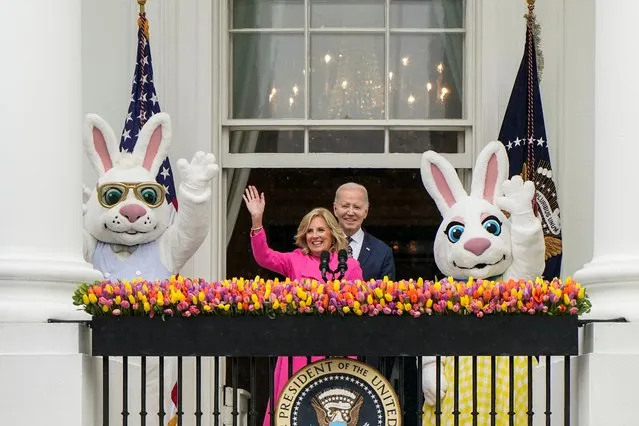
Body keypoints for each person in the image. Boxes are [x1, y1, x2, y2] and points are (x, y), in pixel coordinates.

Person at [242, 185, 363, 426]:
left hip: (337, 349)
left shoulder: (349, 266)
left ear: (332, 232)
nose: (315, 235)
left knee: (332, 411)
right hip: (298, 348)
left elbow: (358, 308)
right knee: (294, 409)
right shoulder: (294, 260)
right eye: (310, 231)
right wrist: (257, 221)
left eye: (321, 230)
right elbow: (264, 256)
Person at [333, 182, 395, 281]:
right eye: (345, 206)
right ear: (335, 209)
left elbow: (388, 293)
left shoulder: (382, 252)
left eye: (357, 207)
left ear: (365, 212)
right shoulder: (322, 246)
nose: (350, 212)